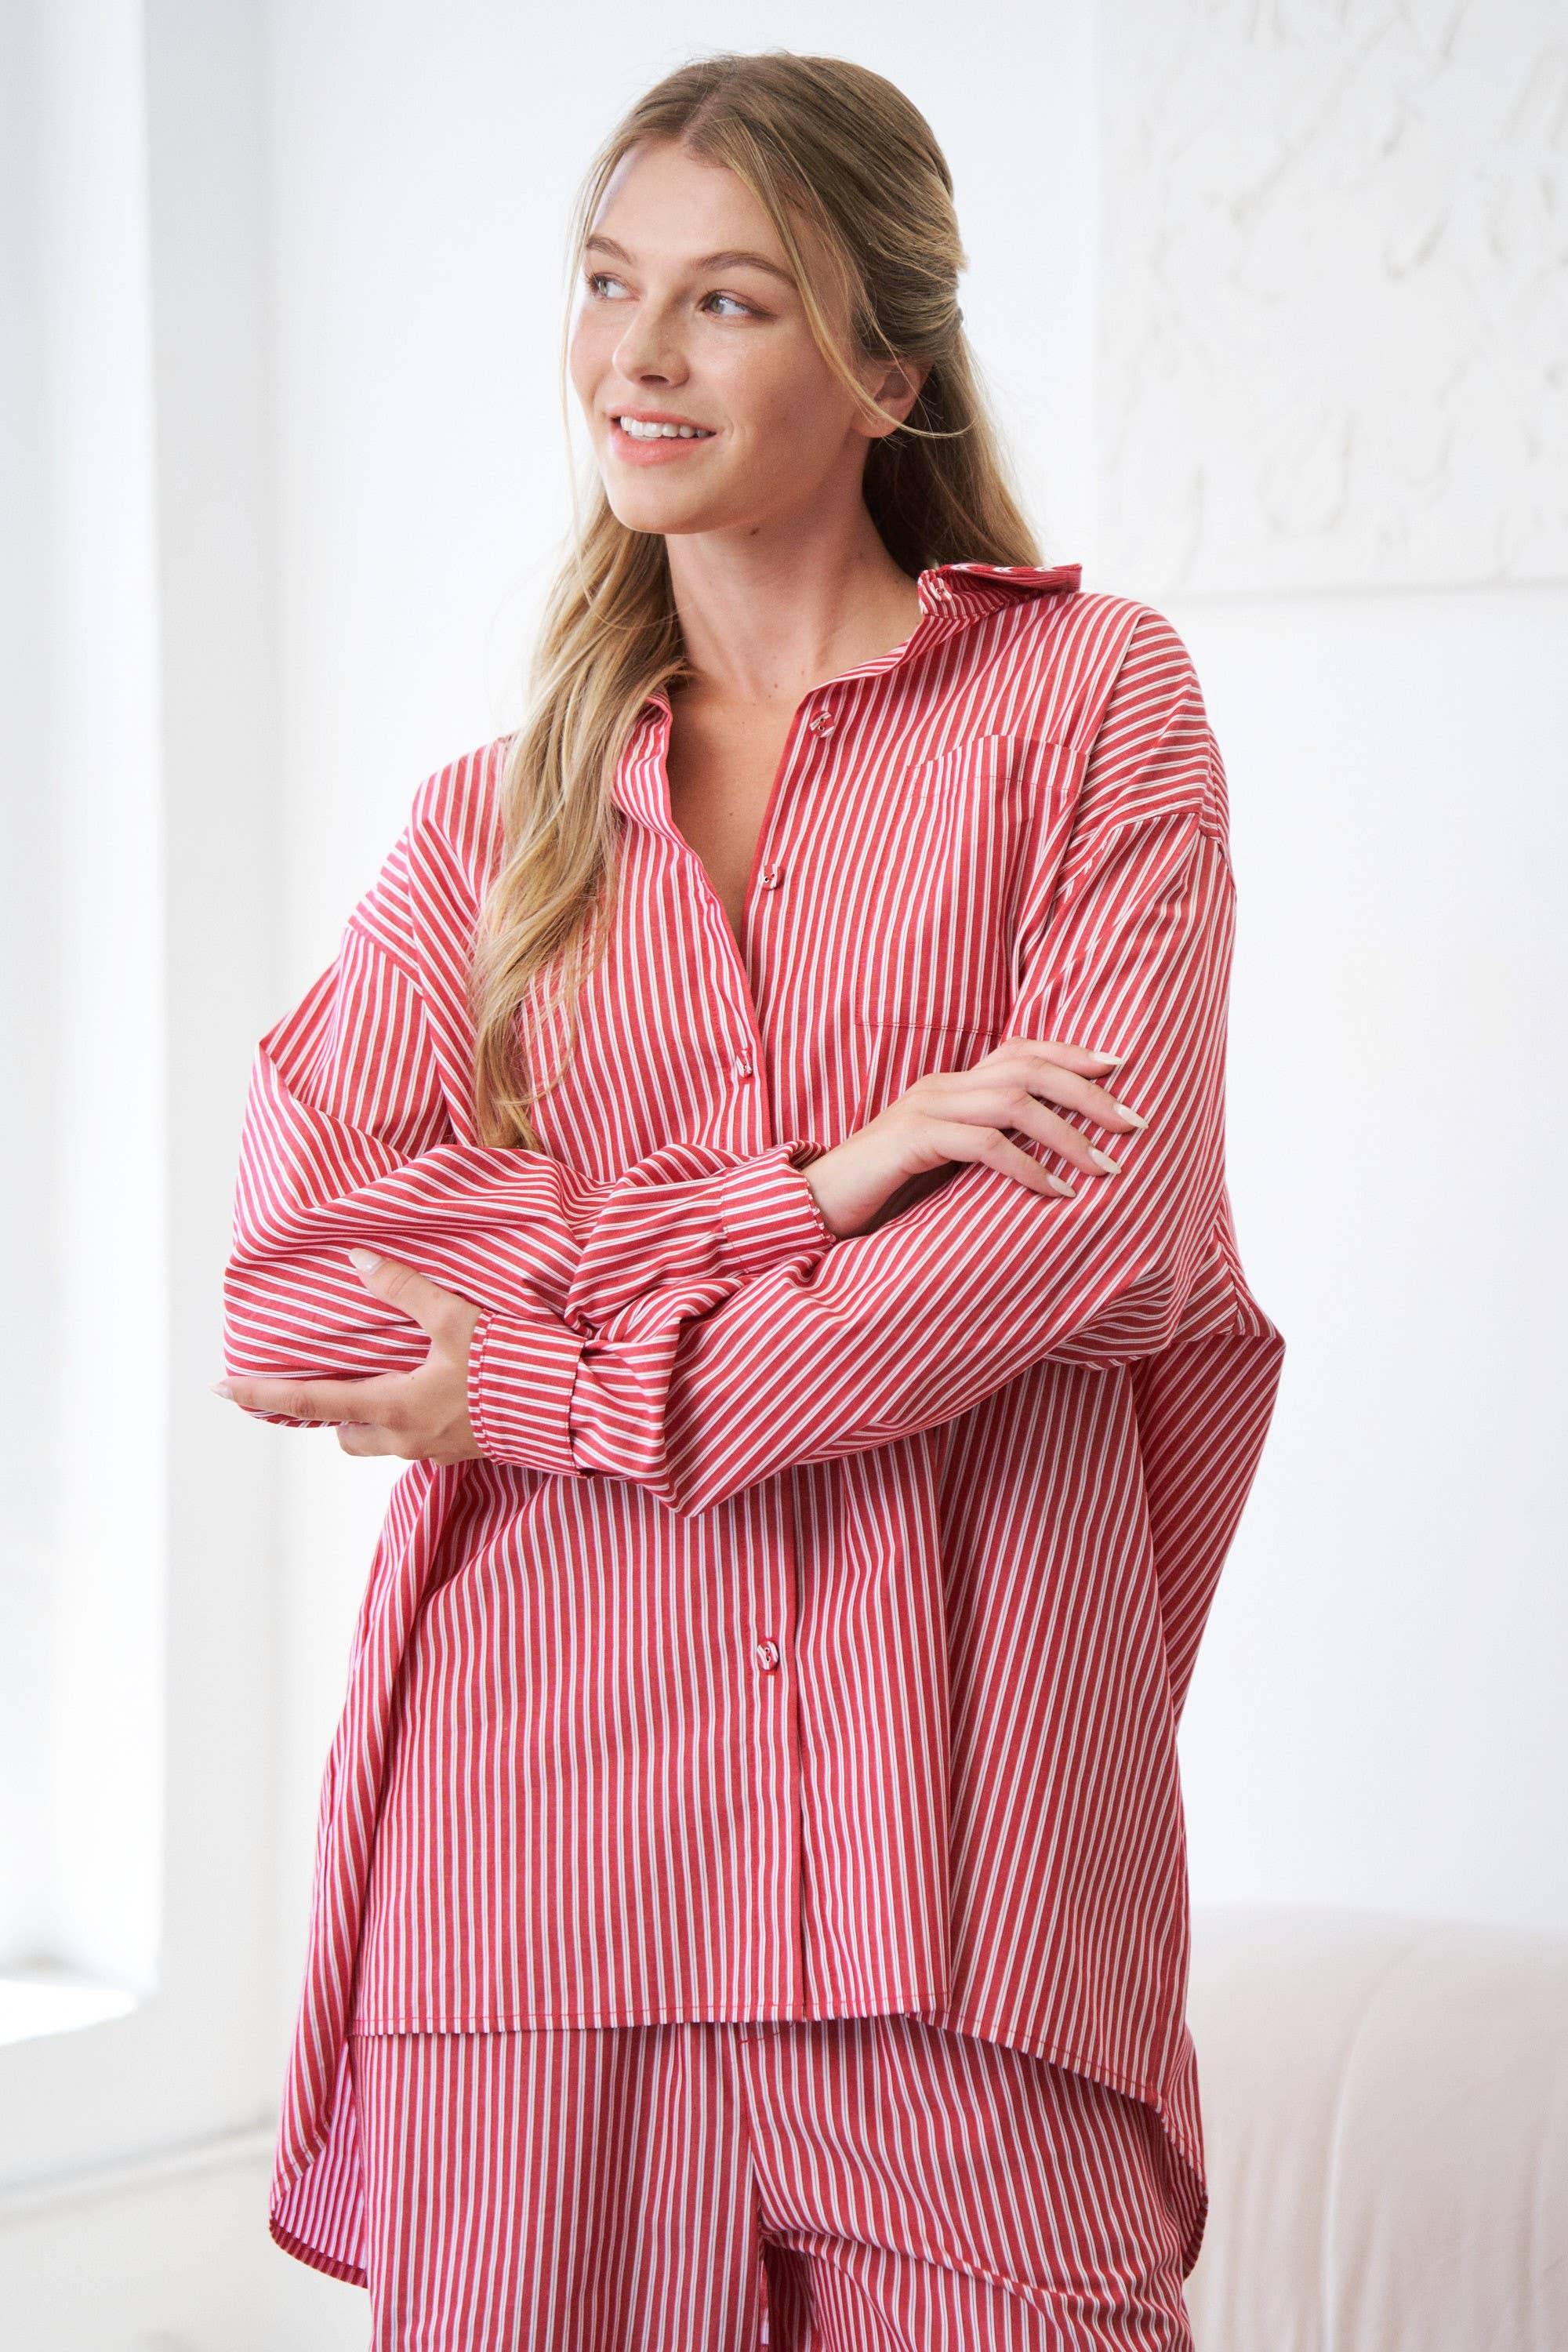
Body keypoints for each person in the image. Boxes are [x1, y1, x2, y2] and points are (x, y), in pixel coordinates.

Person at [212, 47, 1286, 2352]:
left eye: (728, 302)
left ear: (888, 363)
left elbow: (1081, 1235)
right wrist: (800, 1189)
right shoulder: (487, 833)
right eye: (608, 289)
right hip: (534, 1899)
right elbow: (300, 1295)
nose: (636, 355)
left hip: (962, 1889)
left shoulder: (1096, 711)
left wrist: (553, 1383)